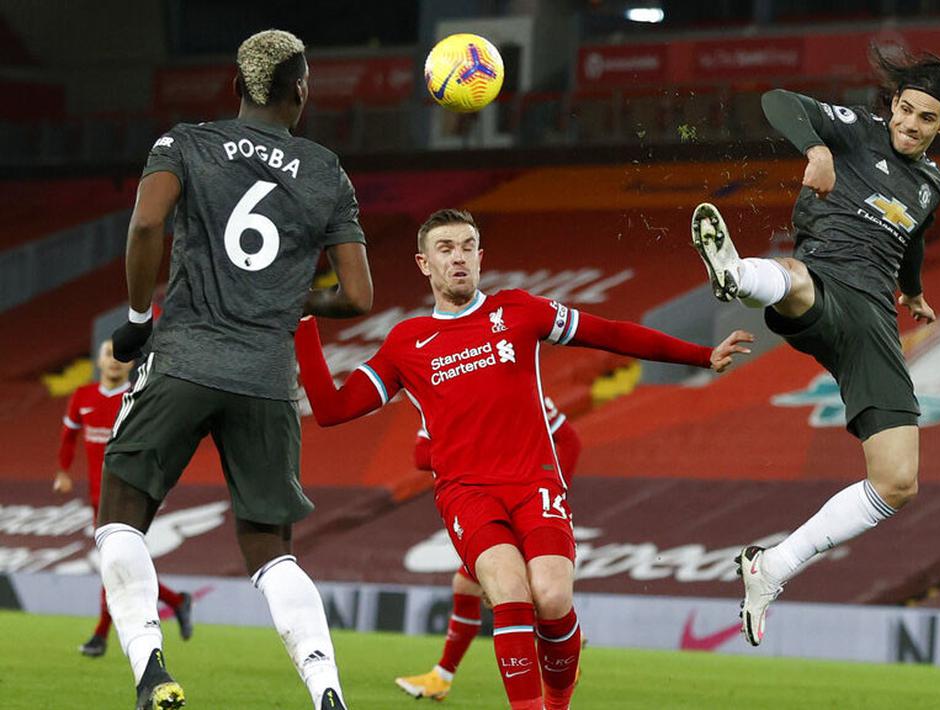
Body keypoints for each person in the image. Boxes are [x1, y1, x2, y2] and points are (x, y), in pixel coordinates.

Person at [296, 208, 751, 710]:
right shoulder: (408, 342)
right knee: (510, 592)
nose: (459, 258)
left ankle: (558, 703)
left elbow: (611, 334)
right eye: (446, 249)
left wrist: (700, 355)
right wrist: (301, 321)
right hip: (467, 493)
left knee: (553, 598)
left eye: (468, 246)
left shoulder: (519, 311)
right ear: (424, 264)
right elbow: (333, 410)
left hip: (535, 482)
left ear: (481, 256)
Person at [96, 29, 372, 710]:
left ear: (234, 88)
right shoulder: (326, 170)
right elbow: (360, 296)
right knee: (271, 549)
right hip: (268, 381)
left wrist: (136, 320)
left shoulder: (185, 143)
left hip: (184, 358)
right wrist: (290, 295)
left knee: (122, 515)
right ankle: (327, 691)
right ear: (300, 92)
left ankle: (151, 670)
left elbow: (143, 226)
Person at [688, 45, 940, 647]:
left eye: (924, 119)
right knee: (800, 280)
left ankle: (773, 567)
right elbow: (777, 101)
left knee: (898, 481)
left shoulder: (933, 182)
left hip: (875, 324)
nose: (909, 125)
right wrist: (816, 148)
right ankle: (738, 275)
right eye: (905, 110)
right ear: (891, 104)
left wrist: (912, 291)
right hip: (828, 280)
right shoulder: (857, 131)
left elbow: (911, 237)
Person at [395, 396, 582, 700]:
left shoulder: (524, 391)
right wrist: (479, 448)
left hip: (531, 501)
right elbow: (420, 455)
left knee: (533, 593)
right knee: (474, 586)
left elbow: (569, 442)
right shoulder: (448, 393)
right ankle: (443, 675)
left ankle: (556, 656)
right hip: (486, 501)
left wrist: (552, 495)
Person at [54, 339, 195, 658]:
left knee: (114, 564)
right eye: (108, 354)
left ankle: (100, 636)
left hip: (128, 493)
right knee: (121, 564)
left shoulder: (137, 396)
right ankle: (175, 601)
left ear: (132, 364)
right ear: (98, 361)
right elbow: (68, 436)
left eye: (122, 355)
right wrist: (62, 471)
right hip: (96, 497)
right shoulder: (82, 396)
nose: (115, 360)